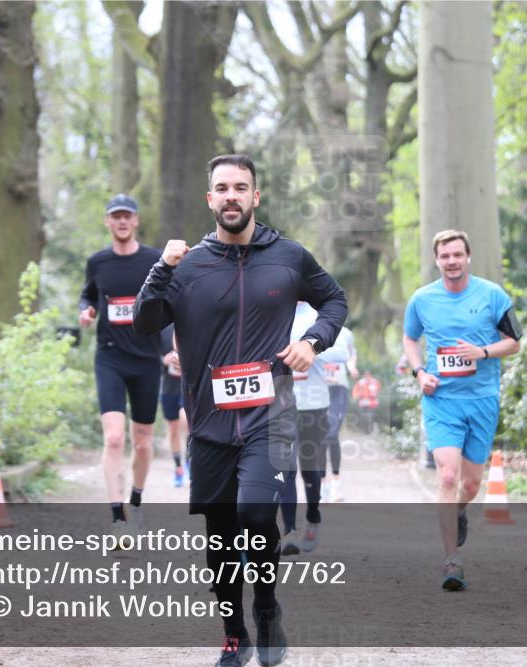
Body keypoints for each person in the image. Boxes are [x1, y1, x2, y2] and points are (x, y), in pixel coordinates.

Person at [133, 154, 347, 667]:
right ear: (210, 199)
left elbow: (335, 300)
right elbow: (143, 322)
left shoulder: (290, 257)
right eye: (222, 188)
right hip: (208, 422)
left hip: (269, 416)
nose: (232, 195)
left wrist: (313, 342)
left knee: (255, 513)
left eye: (241, 187)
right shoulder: (187, 267)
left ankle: (268, 607)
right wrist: (161, 267)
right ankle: (234, 635)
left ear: (256, 196)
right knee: (221, 539)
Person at [402, 229, 522, 591]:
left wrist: (482, 352)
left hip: (482, 399)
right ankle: (451, 560)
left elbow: (514, 342)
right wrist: (419, 372)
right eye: (445, 256)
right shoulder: (422, 300)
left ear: (468, 257)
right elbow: (410, 338)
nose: (451, 261)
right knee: (449, 477)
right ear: (437, 260)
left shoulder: (492, 296)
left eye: (457, 255)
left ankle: (457, 510)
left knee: (470, 484)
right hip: (441, 401)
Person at [79, 194, 167, 535]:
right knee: (114, 438)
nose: (121, 222)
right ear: (107, 222)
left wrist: (170, 347)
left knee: (143, 442)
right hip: (110, 356)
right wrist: (86, 310)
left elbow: (167, 303)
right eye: (115, 216)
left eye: (126, 216)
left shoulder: (154, 260)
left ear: (136, 221)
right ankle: (117, 517)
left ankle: (136, 501)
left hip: (146, 359)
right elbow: (88, 293)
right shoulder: (97, 262)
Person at [280, 302, 349, 555]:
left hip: (315, 403)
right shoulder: (272, 308)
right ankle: (289, 530)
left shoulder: (320, 314)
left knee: (310, 469)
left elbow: (342, 352)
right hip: (281, 403)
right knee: (286, 466)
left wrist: (310, 347)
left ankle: (312, 516)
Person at [319, 326, 357, 502]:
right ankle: (323, 483)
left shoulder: (346, 333)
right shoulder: (311, 327)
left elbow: (351, 354)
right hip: (317, 389)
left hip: (338, 389)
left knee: (332, 434)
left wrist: (352, 367)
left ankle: (336, 481)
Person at [160, 330, 188, 487]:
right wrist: (164, 360)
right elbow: (150, 354)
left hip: (188, 386)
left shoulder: (190, 321)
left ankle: (189, 460)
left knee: (186, 421)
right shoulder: (162, 328)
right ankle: (178, 467)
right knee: (173, 430)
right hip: (168, 388)